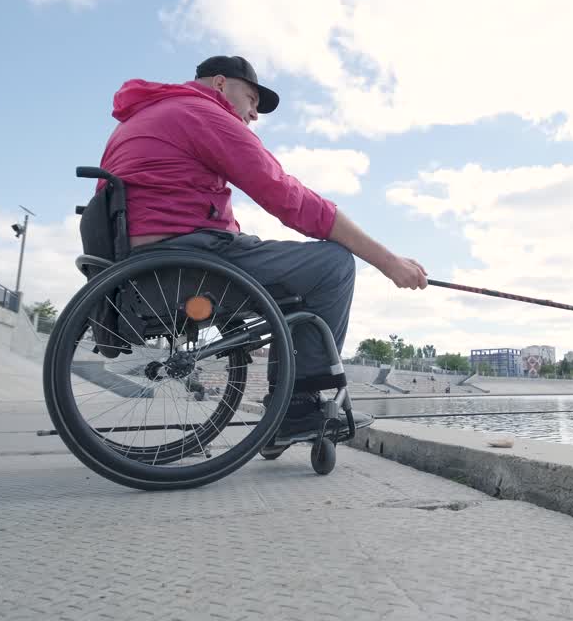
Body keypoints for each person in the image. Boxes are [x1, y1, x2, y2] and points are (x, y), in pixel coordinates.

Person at [97, 55, 427, 438]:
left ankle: (288, 403)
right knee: (332, 265)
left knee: (289, 272)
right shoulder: (202, 114)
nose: (254, 114)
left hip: (145, 265)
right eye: (252, 99)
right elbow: (288, 197)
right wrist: (388, 262)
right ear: (220, 84)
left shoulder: (146, 117)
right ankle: (296, 406)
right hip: (186, 261)